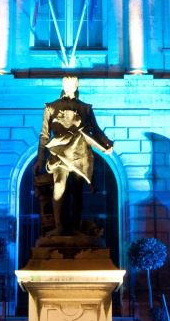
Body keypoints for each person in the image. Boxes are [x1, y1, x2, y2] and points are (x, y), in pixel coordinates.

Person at [35, 76, 113, 238]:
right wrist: (40, 159)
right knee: (59, 184)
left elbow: (96, 130)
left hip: (79, 153)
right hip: (59, 152)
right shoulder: (51, 107)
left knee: (77, 190)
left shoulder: (85, 108)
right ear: (62, 85)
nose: (69, 86)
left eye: (72, 83)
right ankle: (60, 227)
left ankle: (75, 227)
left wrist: (106, 143)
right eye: (66, 83)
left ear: (77, 86)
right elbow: (44, 135)